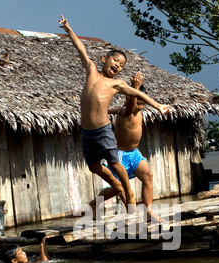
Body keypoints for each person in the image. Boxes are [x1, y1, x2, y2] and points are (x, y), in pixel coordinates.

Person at [58, 14, 170, 214]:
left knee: (116, 164)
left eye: (121, 65)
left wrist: (158, 105)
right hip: (87, 132)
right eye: (115, 60)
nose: (118, 65)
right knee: (94, 167)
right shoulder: (91, 70)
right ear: (104, 59)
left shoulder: (116, 84)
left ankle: (130, 193)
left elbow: (136, 93)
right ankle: (117, 188)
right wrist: (68, 29)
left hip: (103, 131)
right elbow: (80, 49)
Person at [90, 72, 161, 222]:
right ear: (129, 98)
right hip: (120, 155)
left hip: (134, 153)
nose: (141, 104)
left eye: (144, 101)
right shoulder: (127, 112)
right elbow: (125, 109)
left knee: (148, 175)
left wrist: (107, 110)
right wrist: (134, 87)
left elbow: (118, 109)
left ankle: (148, 212)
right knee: (118, 188)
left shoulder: (136, 110)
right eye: (138, 100)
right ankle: (94, 204)